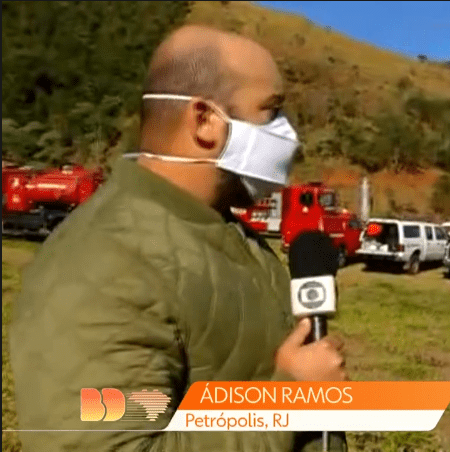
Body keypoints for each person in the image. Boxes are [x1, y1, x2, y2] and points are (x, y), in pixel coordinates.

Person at [10, 25, 348, 452]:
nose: (290, 133)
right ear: (205, 120)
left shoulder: (222, 230)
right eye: (271, 111)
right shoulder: (106, 265)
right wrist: (288, 401)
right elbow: (120, 442)